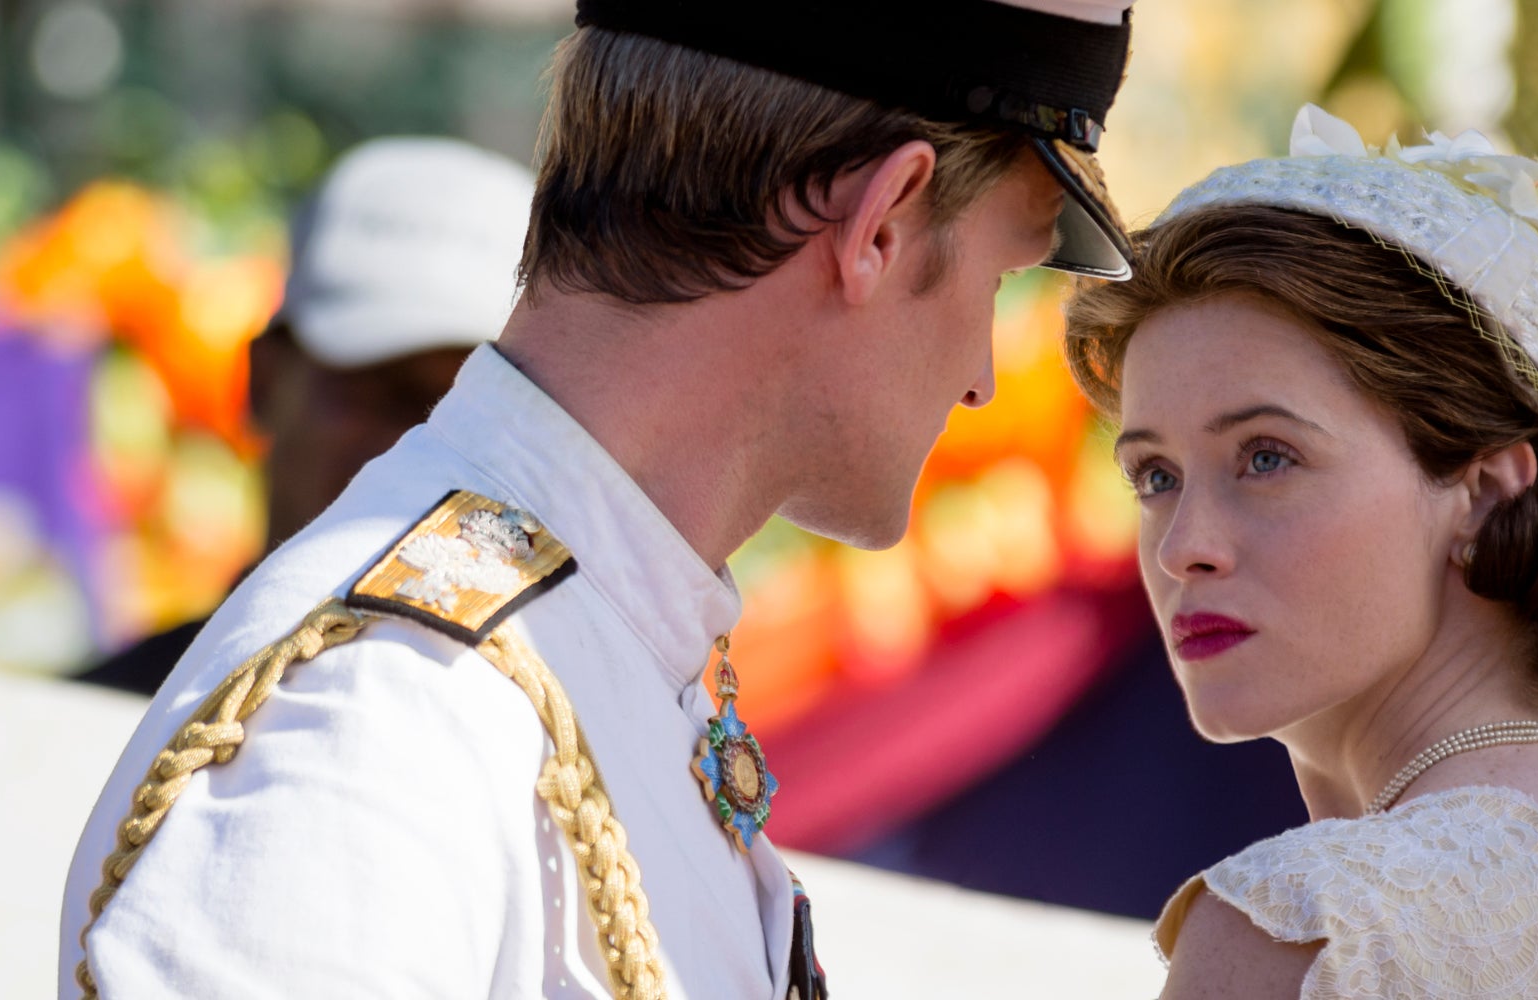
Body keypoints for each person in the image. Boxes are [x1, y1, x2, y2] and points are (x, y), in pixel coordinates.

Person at [59, 2, 1136, 999]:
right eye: (1000, 275)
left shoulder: (576, 640)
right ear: (883, 222)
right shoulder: (382, 712)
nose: (980, 379)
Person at [1062, 105, 1538, 997]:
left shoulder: (1304, 927)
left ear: (1486, 492)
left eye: (1266, 458)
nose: (1184, 548)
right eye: (1154, 476)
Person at [77, 136, 535, 697]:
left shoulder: (566, 762)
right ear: (264, 381)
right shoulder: (86, 731)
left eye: (473, 417)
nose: (421, 450)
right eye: (383, 393)